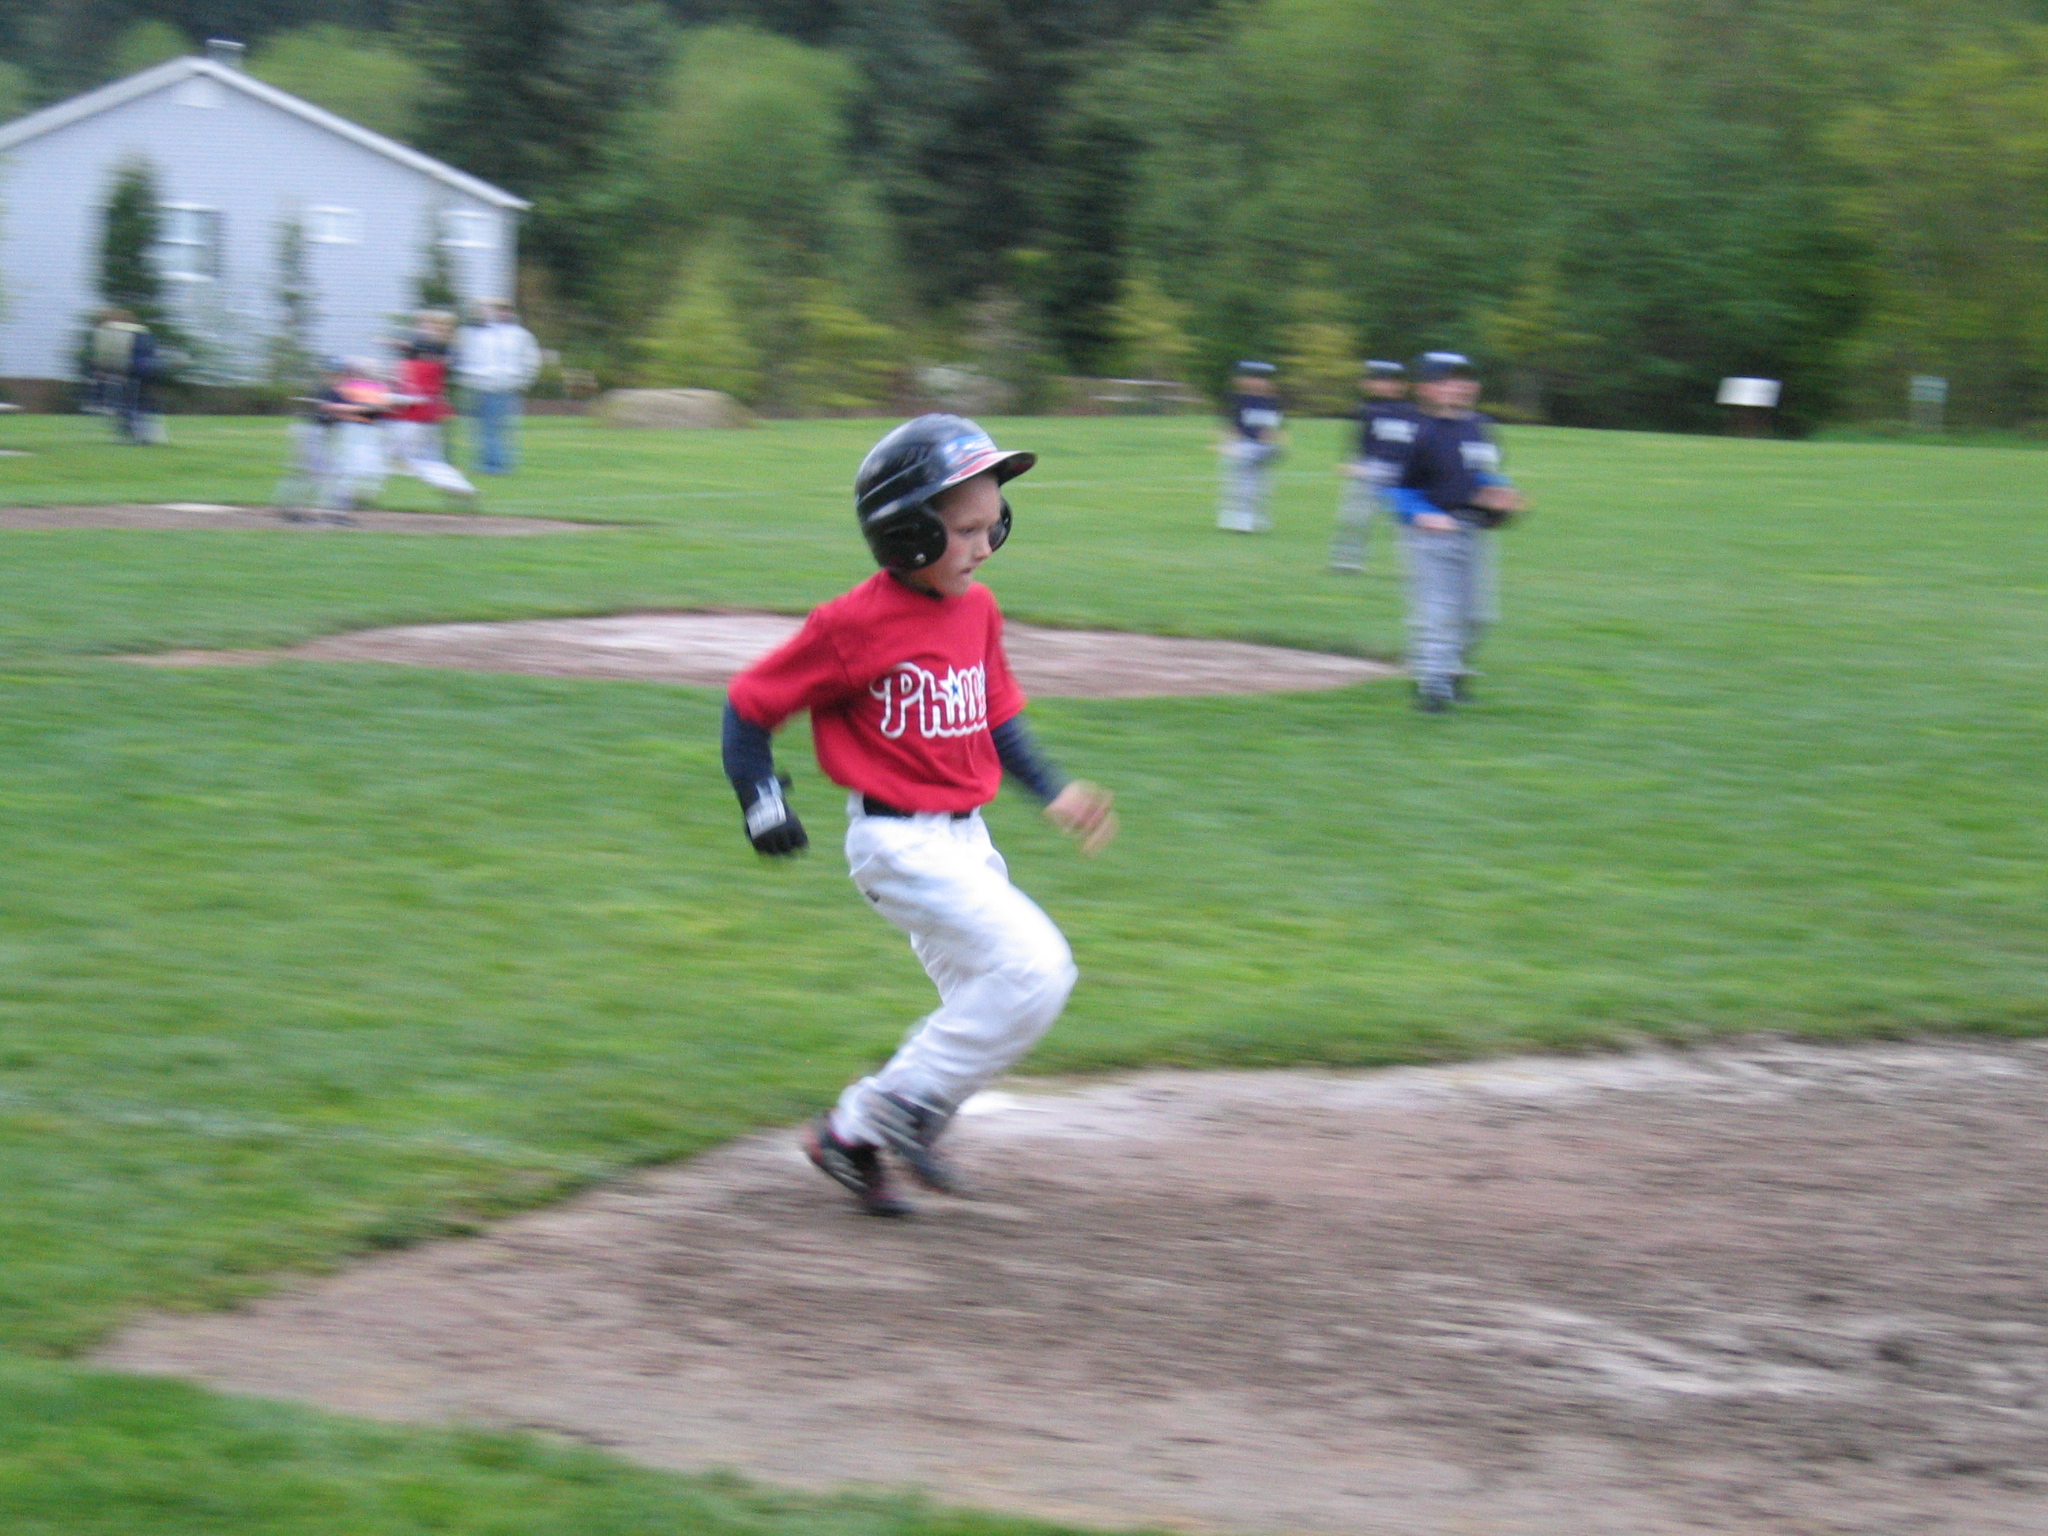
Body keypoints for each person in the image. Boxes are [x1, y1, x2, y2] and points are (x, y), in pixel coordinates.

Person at [722, 414, 1117, 1217]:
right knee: (1036, 967)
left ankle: (860, 1136)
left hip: (967, 843)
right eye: (965, 530)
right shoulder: (851, 625)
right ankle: (889, 1111)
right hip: (897, 842)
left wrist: (1054, 790)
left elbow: (998, 718)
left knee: (996, 997)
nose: (984, 544)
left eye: (992, 525)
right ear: (903, 537)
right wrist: (763, 801)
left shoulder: (977, 613)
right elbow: (750, 704)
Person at [1381, 352, 1526, 712]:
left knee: (1477, 615)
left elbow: (1483, 473)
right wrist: (1423, 514)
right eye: (1448, 379)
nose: (1461, 387)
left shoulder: (1479, 426)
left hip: (1472, 529)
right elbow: (1395, 487)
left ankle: (1453, 670)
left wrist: (1501, 493)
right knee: (1438, 611)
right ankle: (1433, 687)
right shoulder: (1411, 429)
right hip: (1430, 534)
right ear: (1425, 388)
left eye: (1467, 379)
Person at [1329, 360, 1417, 573]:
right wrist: (1352, 463)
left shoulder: (1413, 411)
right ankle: (1346, 561)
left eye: (1388, 381)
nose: (1383, 385)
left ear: (1401, 385)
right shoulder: (1366, 410)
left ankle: (1415, 568)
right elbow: (1359, 441)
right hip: (1371, 467)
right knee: (1354, 517)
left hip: (1403, 471)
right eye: (1377, 381)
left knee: (1407, 523)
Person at [388, 311, 478, 502]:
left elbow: (403, 394)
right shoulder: (437, 368)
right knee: (432, 459)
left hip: (409, 420)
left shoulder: (407, 367)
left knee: (405, 458)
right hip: (430, 419)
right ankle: (460, 486)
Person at [453, 299, 541, 475]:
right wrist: (467, 377)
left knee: (498, 428)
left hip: (506, 387)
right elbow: (462, 358)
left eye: (505, 309)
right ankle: (489, 462)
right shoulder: (474, 334)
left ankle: (495, 465)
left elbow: (531, 360)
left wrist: (522, 381)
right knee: (481, 428)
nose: (502, 313)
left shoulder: (519, 335)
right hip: (479, 386)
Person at [1216, 361, 1285, 532]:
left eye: (1261, 379)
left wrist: (1274, 443)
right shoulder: (1237, 398)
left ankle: (1257, 521)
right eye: (1251, 377)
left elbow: (1276, 428)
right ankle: (1236, 521)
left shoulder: (1272, 401)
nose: (1256, 382)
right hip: (1241, 445)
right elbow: (1229, 424)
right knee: (1238, 487)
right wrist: (1227, 444)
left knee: (1261, 487)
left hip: (1261, 448)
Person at [88, 308, 163, 445]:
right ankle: (148, 435)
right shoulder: (141, 330)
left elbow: (107, 355)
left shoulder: (109, 329)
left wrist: (102, 372)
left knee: (126, 404)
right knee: (141, 402)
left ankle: (134, 434)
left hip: (129, 369)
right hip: (148, 368)